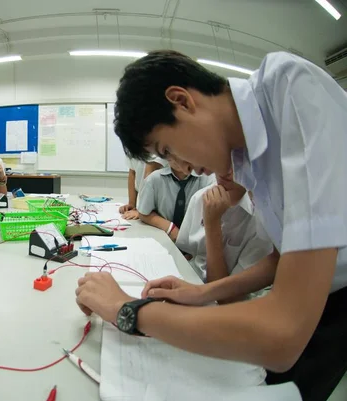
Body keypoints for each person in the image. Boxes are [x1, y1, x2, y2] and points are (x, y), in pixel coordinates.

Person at [74, 50, 347, 401]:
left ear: (181, 101)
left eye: (168, 149)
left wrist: (129, 310)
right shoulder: (245, 159)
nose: (178, 164)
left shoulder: (290, 87)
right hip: (320, 290)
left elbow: (283, 335)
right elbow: (284, 257)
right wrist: (203, 292)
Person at [176, 171, 273, 297]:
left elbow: (225, 297)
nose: (223, 170)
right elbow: (188, 253)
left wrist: (212, 224)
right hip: (189, 282)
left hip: (224, 304)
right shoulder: (200, 197)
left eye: (234, 163)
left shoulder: (262, 222)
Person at [137, 156, 214, 242]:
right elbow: (144, 213)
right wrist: (170, 228)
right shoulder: (154, 179)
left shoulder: (208, 180)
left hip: (197, 244)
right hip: (163, 239)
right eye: (171, 153)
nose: (178, 159)